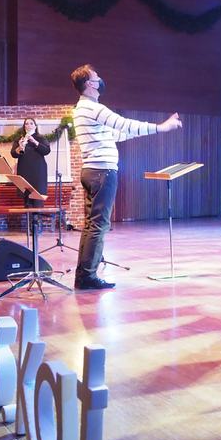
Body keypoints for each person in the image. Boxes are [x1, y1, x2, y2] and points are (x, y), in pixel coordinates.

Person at [71, 64, 182, 290]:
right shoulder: (93, 108)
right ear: (89, 84)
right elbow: (124, 124)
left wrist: (142, 133)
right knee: (98, 226)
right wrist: (161, 128)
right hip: (102, 172)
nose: (100, 79)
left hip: (92, 171)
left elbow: (116, 133)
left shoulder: (82, 109)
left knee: (92, 225)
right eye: (96, 77)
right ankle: (87, 277)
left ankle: (84, 274)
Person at [10, 117, 50, 208]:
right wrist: (20, 147)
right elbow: (13, 154)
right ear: (24, 127)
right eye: (26, 124)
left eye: (31, 123)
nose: (29, 125)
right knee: (27, 201)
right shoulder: (20, 139)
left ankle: (37, 217)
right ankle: (29, 216)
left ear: (35, 126)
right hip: (24, 172)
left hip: (38, 172)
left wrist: (34, 142)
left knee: (38, 200)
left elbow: (46, 151)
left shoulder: (40, 138)